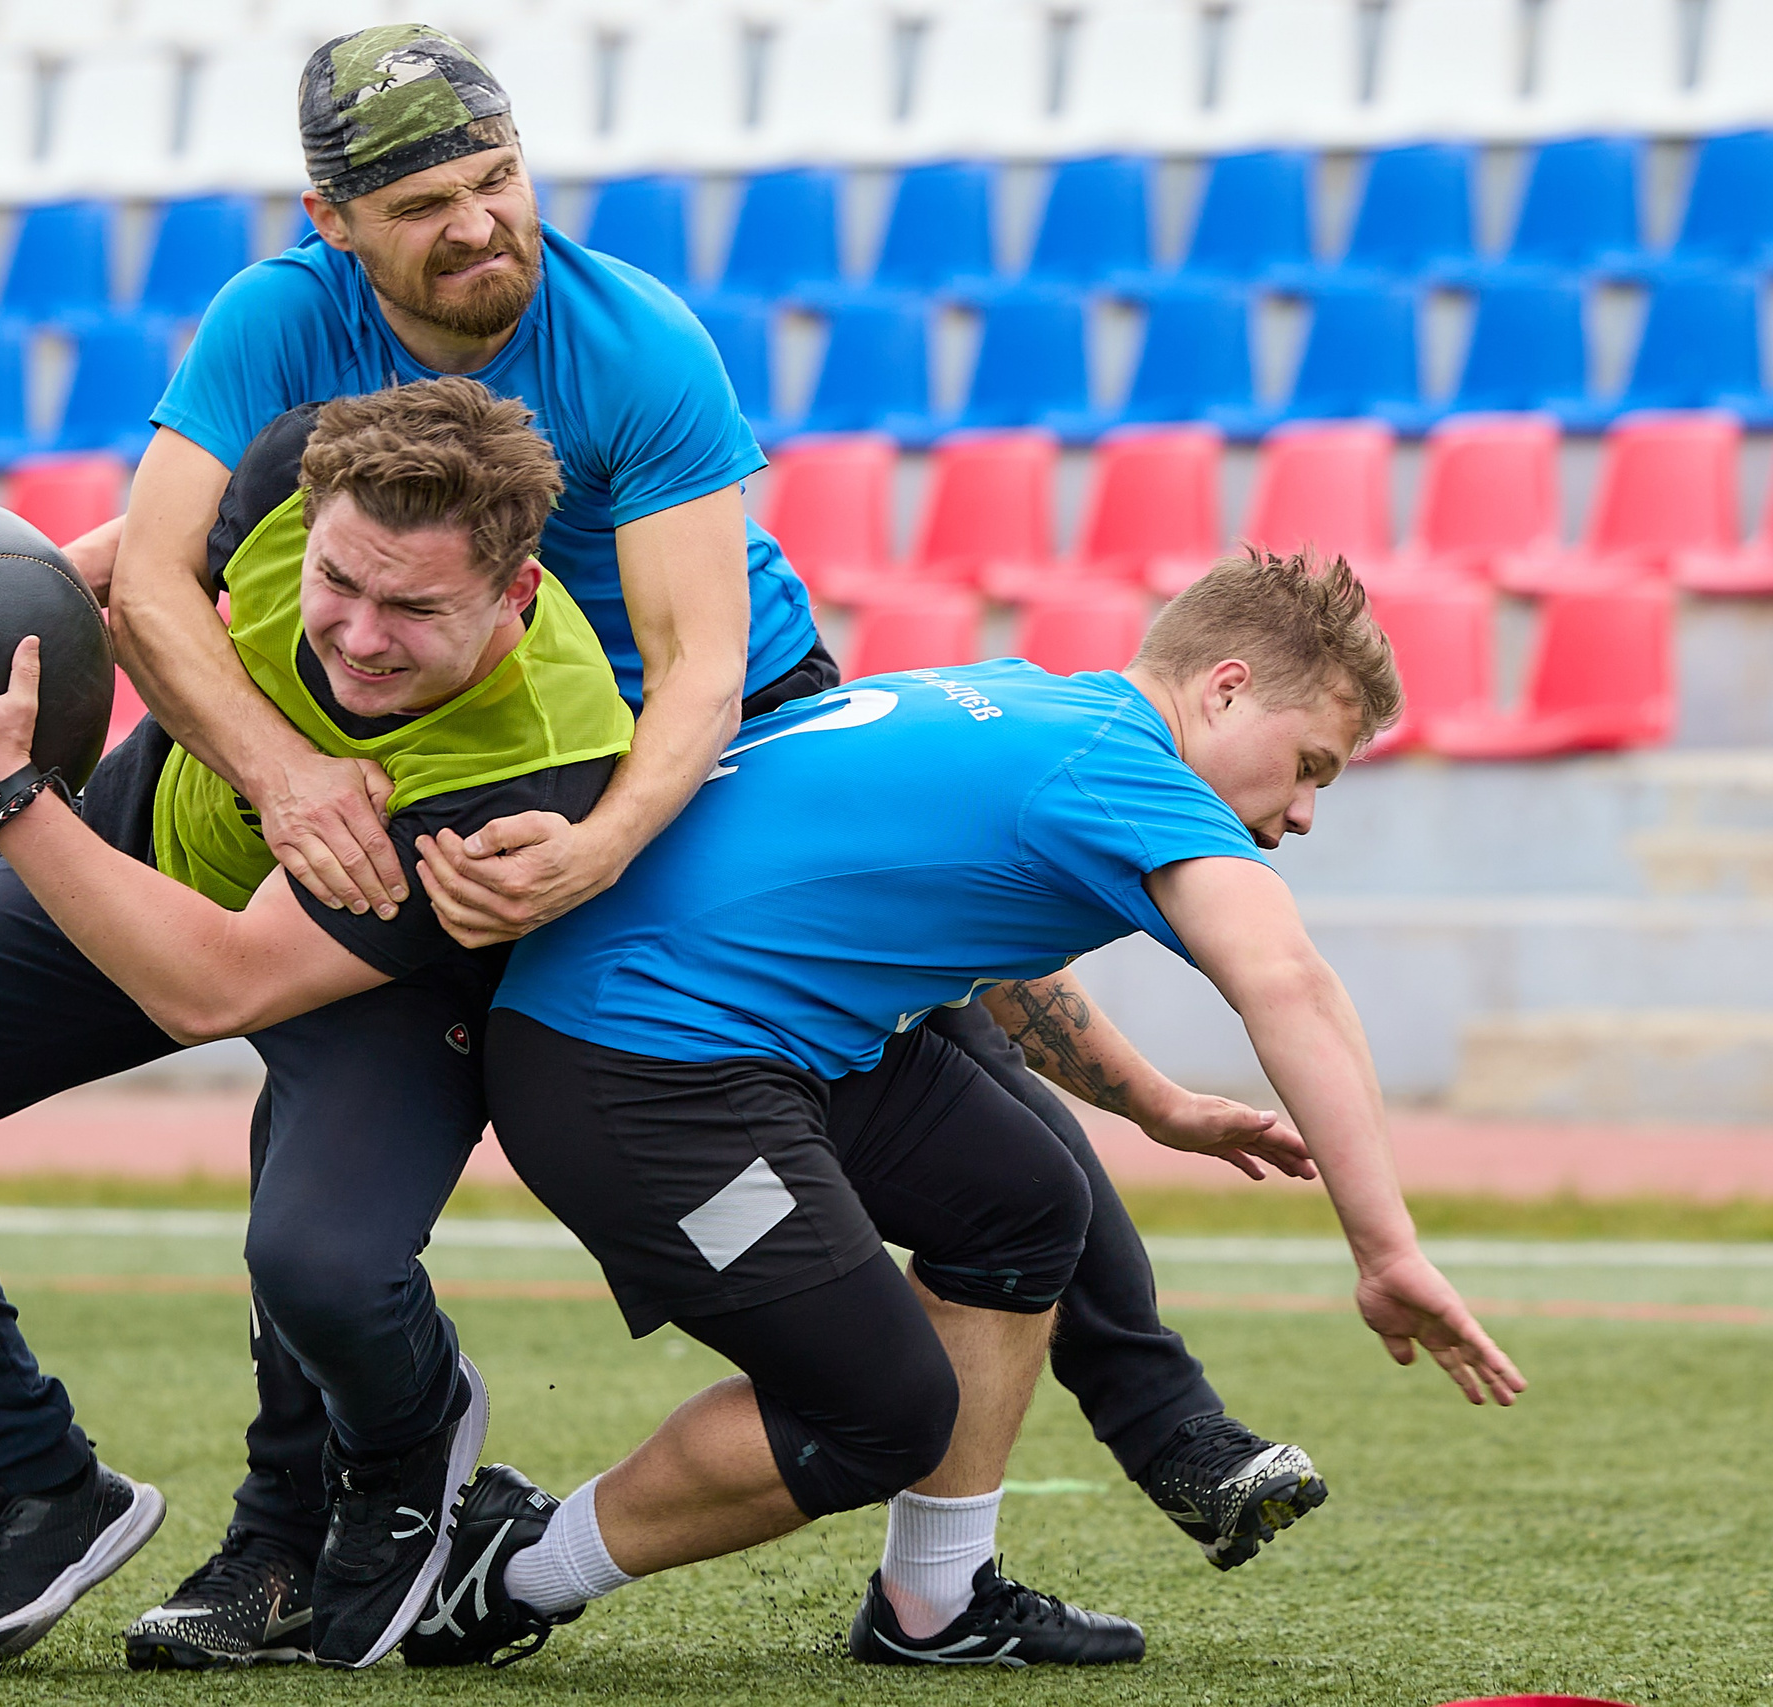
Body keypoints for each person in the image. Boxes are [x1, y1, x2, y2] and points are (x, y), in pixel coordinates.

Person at [110, 21, 1334, 1666]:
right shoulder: (274, 318)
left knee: (956, 1040)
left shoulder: (633, 340)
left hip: (714, 723)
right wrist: (279, 774)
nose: (481, 221)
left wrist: (602, 849)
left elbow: (697, 674)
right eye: (426, 199)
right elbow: (144, 565)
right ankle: (286, 1533)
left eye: (497, 175)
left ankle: (1148, 1429)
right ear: (333, 220)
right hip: (478, 751)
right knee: (326, 1108)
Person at [392, 551, 1527, 1668]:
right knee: (882, 1413)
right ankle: (509, 1571)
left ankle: (933, 1604)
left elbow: (984, 945)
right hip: (633, 1077)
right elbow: (1289, 985)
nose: (1307, 810)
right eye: (1308, 764)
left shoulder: (1034, 703)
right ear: (1225, 686)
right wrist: (1384, 1249)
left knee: (1025, 1203)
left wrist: (1151, 1103)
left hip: (741, 1043)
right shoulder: (1118, 768)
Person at [0, 381, 636, 1669]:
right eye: (339, 583)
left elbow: (214, 987)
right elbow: (100, 579)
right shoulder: (285, 470)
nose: (359, 636)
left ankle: (376, 1463)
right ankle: (38, 1489)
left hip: (362, 974)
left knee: (319, 1265)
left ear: (518, 593)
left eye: (414, 609)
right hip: (150, 832)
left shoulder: (533, 767)